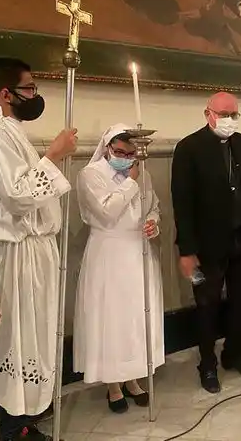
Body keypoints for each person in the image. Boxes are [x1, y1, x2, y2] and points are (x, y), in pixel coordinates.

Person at [0, 58, 77, 441]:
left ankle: (24, 417)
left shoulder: (10, 130)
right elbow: (18, 195)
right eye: (29, 88)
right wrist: (54, 154)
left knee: (34, 334)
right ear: (5, 93)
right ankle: (13, 429)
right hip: (14, 254)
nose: (35, 95)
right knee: (17, 336)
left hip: (32, 250)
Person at [171, 92, 241, 394]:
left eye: (234, 115)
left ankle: (234, 354)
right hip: (206, 245)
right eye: (224, 114)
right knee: (207, 306)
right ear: (208, 113)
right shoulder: (189, 148)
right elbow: (182, 203)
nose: (229, 120)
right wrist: (186, 250)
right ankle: (207, 364)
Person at [73, 124, 163, 414]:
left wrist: (153, 222)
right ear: (107, 148)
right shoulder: (91, 174)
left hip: (138, 252)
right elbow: (107, 212)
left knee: (136, 318)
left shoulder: (141, 172)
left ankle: (133, 377)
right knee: (112, 318)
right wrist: (131, 182)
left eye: (131, 154)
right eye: (120, 152)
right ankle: (113, 384)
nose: (126, 159)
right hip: (109, 254)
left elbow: (153, 206)